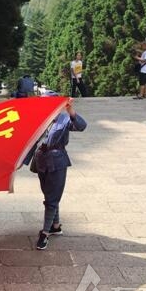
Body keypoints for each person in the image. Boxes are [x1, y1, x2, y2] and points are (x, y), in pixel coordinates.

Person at [32, 96, 87, 250]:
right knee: (49, 195)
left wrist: (71, 111)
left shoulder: (64, 119)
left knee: (51, 198)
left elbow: (82, 126)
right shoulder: (40, 118)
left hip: (57, 162)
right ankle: (55, 225)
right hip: (41, 161)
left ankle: (45, 233)